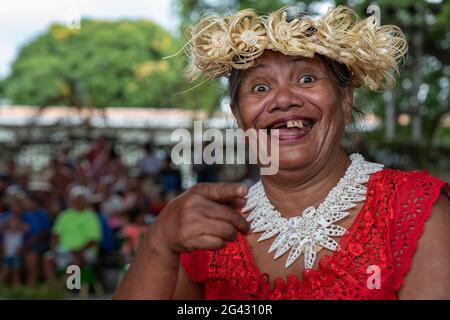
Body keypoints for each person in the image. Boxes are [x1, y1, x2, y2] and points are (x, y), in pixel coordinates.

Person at [114, 6, 450, 300]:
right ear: (238, 116)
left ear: (345, 100)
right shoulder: (208, 231)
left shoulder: (414, 208)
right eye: (260, 87)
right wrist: (158, 243)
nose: (283, 99)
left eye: (306, 79)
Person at [44, 185, 102, 285]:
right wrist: (55, 248)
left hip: (84, 251)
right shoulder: (64, 215)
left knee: (77, 259)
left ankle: (63, 285)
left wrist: (78, 250)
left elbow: (93, 241)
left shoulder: (91, 216)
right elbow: (55, 235)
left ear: (85, 201)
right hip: (64, 250)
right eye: (75, 199)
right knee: (48, 258)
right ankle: (53, 285)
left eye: (80, 199)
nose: (77, 202)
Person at [0, 213, 29, 287]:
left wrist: (19, 223)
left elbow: (27, 228)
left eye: (15, 224)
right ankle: (2, 287)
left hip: (16, 256)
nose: (13, 225)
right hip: (7, 256)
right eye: (11, 224)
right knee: (5, 272)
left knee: (16, 273)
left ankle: (16, 288)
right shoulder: (6, 233)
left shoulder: (20, 233)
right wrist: (7, 223)